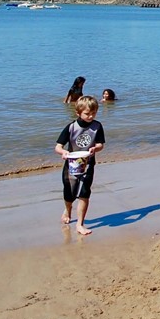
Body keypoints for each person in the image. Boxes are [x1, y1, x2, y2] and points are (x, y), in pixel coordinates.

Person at [54, 95, 105, 235]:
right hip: (71, 164)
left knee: (84, 193)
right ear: (78, 113)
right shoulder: (71, 127)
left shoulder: (97, 126)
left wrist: (96, 148)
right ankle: (68, 209)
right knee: (69, 193)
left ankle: (80, 224)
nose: (90, 116)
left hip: (88, 164)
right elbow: (58, 147)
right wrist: (63, 152)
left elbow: (101, 144)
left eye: (93, 113)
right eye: (87, 114)